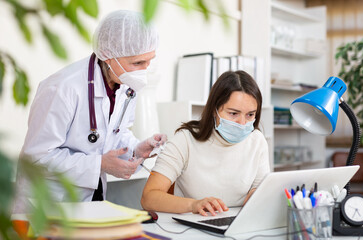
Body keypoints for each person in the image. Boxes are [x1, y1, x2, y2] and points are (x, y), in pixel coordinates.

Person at [13, 10, 166, 213]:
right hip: (48, 204)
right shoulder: (63, 88)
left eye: (149, 61)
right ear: (109, 56)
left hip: (90, 202)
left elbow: (115, 132)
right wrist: (99, 164)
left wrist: (137, 148)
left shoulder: (126, 85)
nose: (144, 70)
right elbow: (37, 158)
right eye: (138, 63)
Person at [141, 70, 270, 216]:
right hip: (193, 224)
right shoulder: (185, 140)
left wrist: (257, 196)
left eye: (250, 114)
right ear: (214, 110)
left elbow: (258, 189)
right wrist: (194, 204)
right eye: (233, 113)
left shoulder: (257, 141)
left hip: (237, 224)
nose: (242, 123)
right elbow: (148, 197)